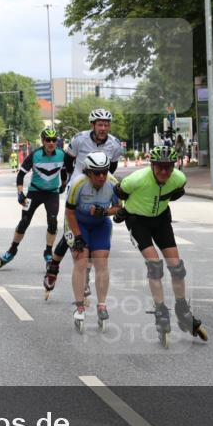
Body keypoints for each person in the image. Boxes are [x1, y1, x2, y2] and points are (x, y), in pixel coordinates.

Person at [113, 145, 207, 344]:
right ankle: (161, 310)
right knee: (155, 266)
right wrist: (122, 210)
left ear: (174, 167)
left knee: (177, 267)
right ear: (152, 165)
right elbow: (118, 191)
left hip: (161, 219)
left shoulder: (179, 179)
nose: (164, 171)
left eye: (168, 167)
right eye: (160, 167)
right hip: (138, 220)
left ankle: (182, 310)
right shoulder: (136, 180)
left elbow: (176, 192)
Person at [44, 108, 123, 296]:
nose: (103, 128)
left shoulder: (115, 144)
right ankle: (54, 267)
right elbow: (68, 161)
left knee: (92, 232)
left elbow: (111, 167)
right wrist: (71, 180)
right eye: (100, 124)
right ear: (93, 125)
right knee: (73, 234)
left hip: (99, 185)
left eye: (106, 124)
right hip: (79, 187)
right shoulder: (79, 139)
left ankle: (84, 277)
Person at [0, 129, 67, 270]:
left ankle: (48, 252)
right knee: (24, 222)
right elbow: (20, 175)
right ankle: (12, 250)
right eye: (48, 140)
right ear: (43, 141)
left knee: (53, 222)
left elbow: (64, 171)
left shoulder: (61, 154)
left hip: (52, 193)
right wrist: (20, 193)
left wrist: (63, 185)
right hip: (34, 193)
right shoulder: (34, 156)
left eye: (54, 140)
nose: (51, 143)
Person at [64, 151, 121, 330]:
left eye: (104, 171)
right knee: (81, 261)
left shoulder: (113, 184)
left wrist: (104, 212)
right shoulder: (77, 184)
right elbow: (69, 212)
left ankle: (102, 304)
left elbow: (119, 207)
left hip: (100, 224)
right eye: (97, 173)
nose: (102, 176)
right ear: (88, 172)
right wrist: (78, 237)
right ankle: (80, 305)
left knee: (101, 262)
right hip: (77, 223)